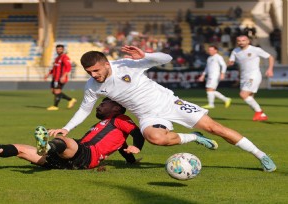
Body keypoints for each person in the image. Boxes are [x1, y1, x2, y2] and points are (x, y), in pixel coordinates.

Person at [50, 45, 276, 172]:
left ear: (107, 64)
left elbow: (167, 57)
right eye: (90, 72)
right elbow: (84, 109)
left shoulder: (127, 64)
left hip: (170, 103)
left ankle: (261, 155)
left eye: (97, 71)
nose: (94, 75)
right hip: (147, 115)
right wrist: (67, 128)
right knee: (154, 138)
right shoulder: (92, 85)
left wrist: (146, 56)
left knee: (216, 128)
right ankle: (192, 137)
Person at [0, 98, 144, 170]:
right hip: (67, 161)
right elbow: (123, 147)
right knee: (20, 149)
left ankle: (48, 146)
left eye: (105, 103)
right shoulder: (105, 125)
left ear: (117, 108)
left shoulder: (120, 120)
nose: (100, 105)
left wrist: (138, 147)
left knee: (65, 141)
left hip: (87, 155)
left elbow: (137, 135)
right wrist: (131, 160)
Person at [228, 35, 275, 121]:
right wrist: (230, 62)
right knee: (250, 97)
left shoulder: (255, 50)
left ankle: (259, 112)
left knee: (243, 94)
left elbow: (270, 57)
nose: (241, 42)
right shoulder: (235, 51)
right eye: (239, 41)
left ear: (248, 41)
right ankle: (262, 115)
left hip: (253, 76)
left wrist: (270, 69)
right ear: (237, 42)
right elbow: (231, 61)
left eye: (243, 40)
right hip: (243, 77)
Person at [44, 44, 77, 111]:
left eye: (60, 49)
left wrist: (63, 76)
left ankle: (55, 106)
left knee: (57, 91)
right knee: (53, 91)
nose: (58, 50)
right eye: (57, 49)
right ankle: (71, 100)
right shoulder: (57, 58)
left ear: (63, 50)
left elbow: (69, 67)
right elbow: (54, 68)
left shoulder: (65, 57)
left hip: (60, 78)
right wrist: (48, 74)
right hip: (55, 78)